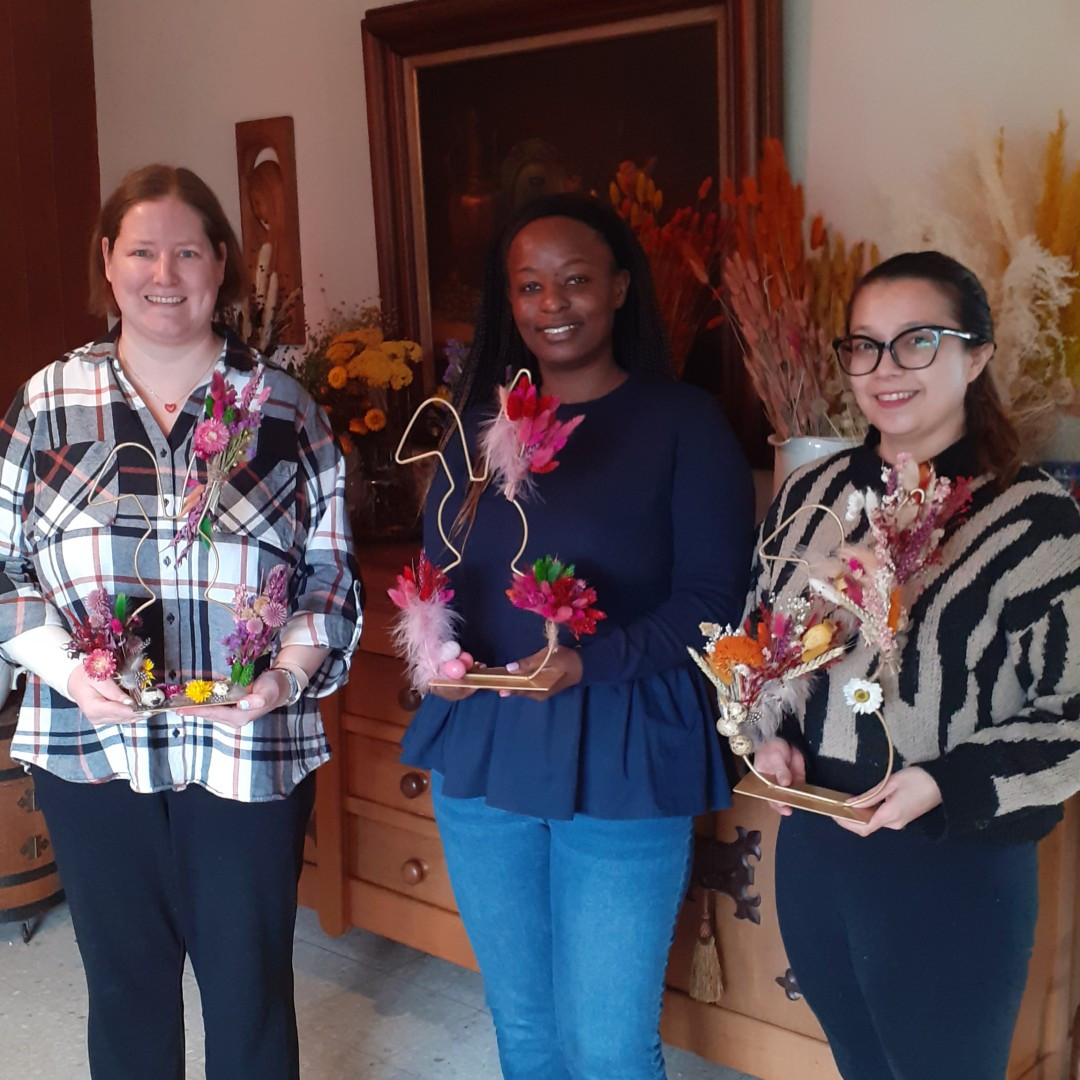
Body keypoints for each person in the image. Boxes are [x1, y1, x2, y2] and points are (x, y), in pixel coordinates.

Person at [0, 164, 361, 1080]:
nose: (166, 273)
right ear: (109, 263)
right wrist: (71, 672)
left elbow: (329, 576)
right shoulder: (48, 403)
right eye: (143, 250)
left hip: (247, 753)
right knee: (125, 995)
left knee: (250, 995)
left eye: (189, 250)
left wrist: (282, 678)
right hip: (90, 750)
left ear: (222, 265)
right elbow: (4, 568)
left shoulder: (285, 410)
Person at [400, 192, 755, 1079]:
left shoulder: (685, 424)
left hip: (627, 741)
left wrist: (590, 661)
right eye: (530, 286)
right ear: (508, 302)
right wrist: (434, 651)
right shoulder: (476, 433)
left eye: (575, 281)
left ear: (621, 288)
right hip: (485, 742)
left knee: (607, 1045)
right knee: (523, 1029)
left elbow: (714, 602)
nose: (552, 303)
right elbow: (438, 574)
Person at [748, 250, 1080, 1080]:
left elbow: (1072, 709)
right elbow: (767, 645)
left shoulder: (1035, 521)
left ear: (977, 356)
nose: (885, 369)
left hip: (952, 867)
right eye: (864, 345)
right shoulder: (807, 496)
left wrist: (946, 782)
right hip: (818, 847)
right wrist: (769, 735)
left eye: (918, 341)